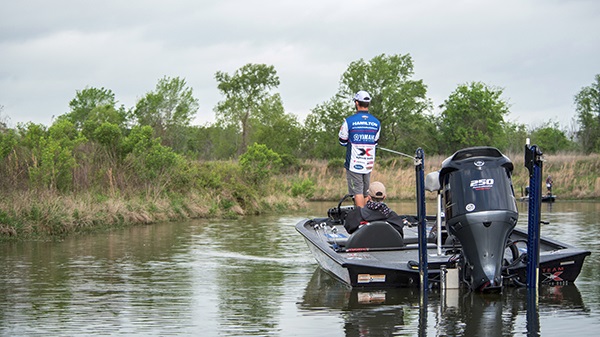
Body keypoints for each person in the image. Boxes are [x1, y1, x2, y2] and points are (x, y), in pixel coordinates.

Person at [338, 90, 381, 208]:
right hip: (368, 163)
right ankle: (368, 217)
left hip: (354, 163)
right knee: (366, 192)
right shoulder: (376, 122)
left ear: (357, 103)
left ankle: (362, 220)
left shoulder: (349, 121)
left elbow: (342, 141)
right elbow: (376, 142)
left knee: (357, 191)